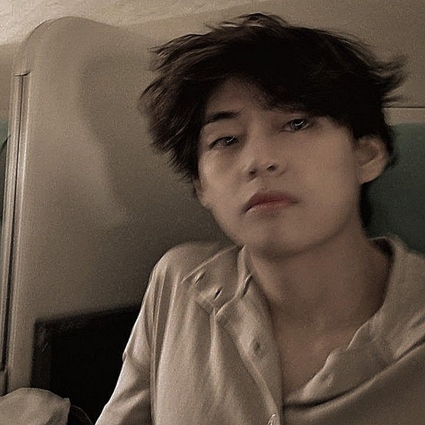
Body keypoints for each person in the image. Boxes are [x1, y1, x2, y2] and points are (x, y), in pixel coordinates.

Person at [96, 13, 425, 425]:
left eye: (296, 123)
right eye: (226, 140)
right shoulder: (178, 284)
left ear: (366, 155)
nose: (259, 160)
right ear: (201, 186)